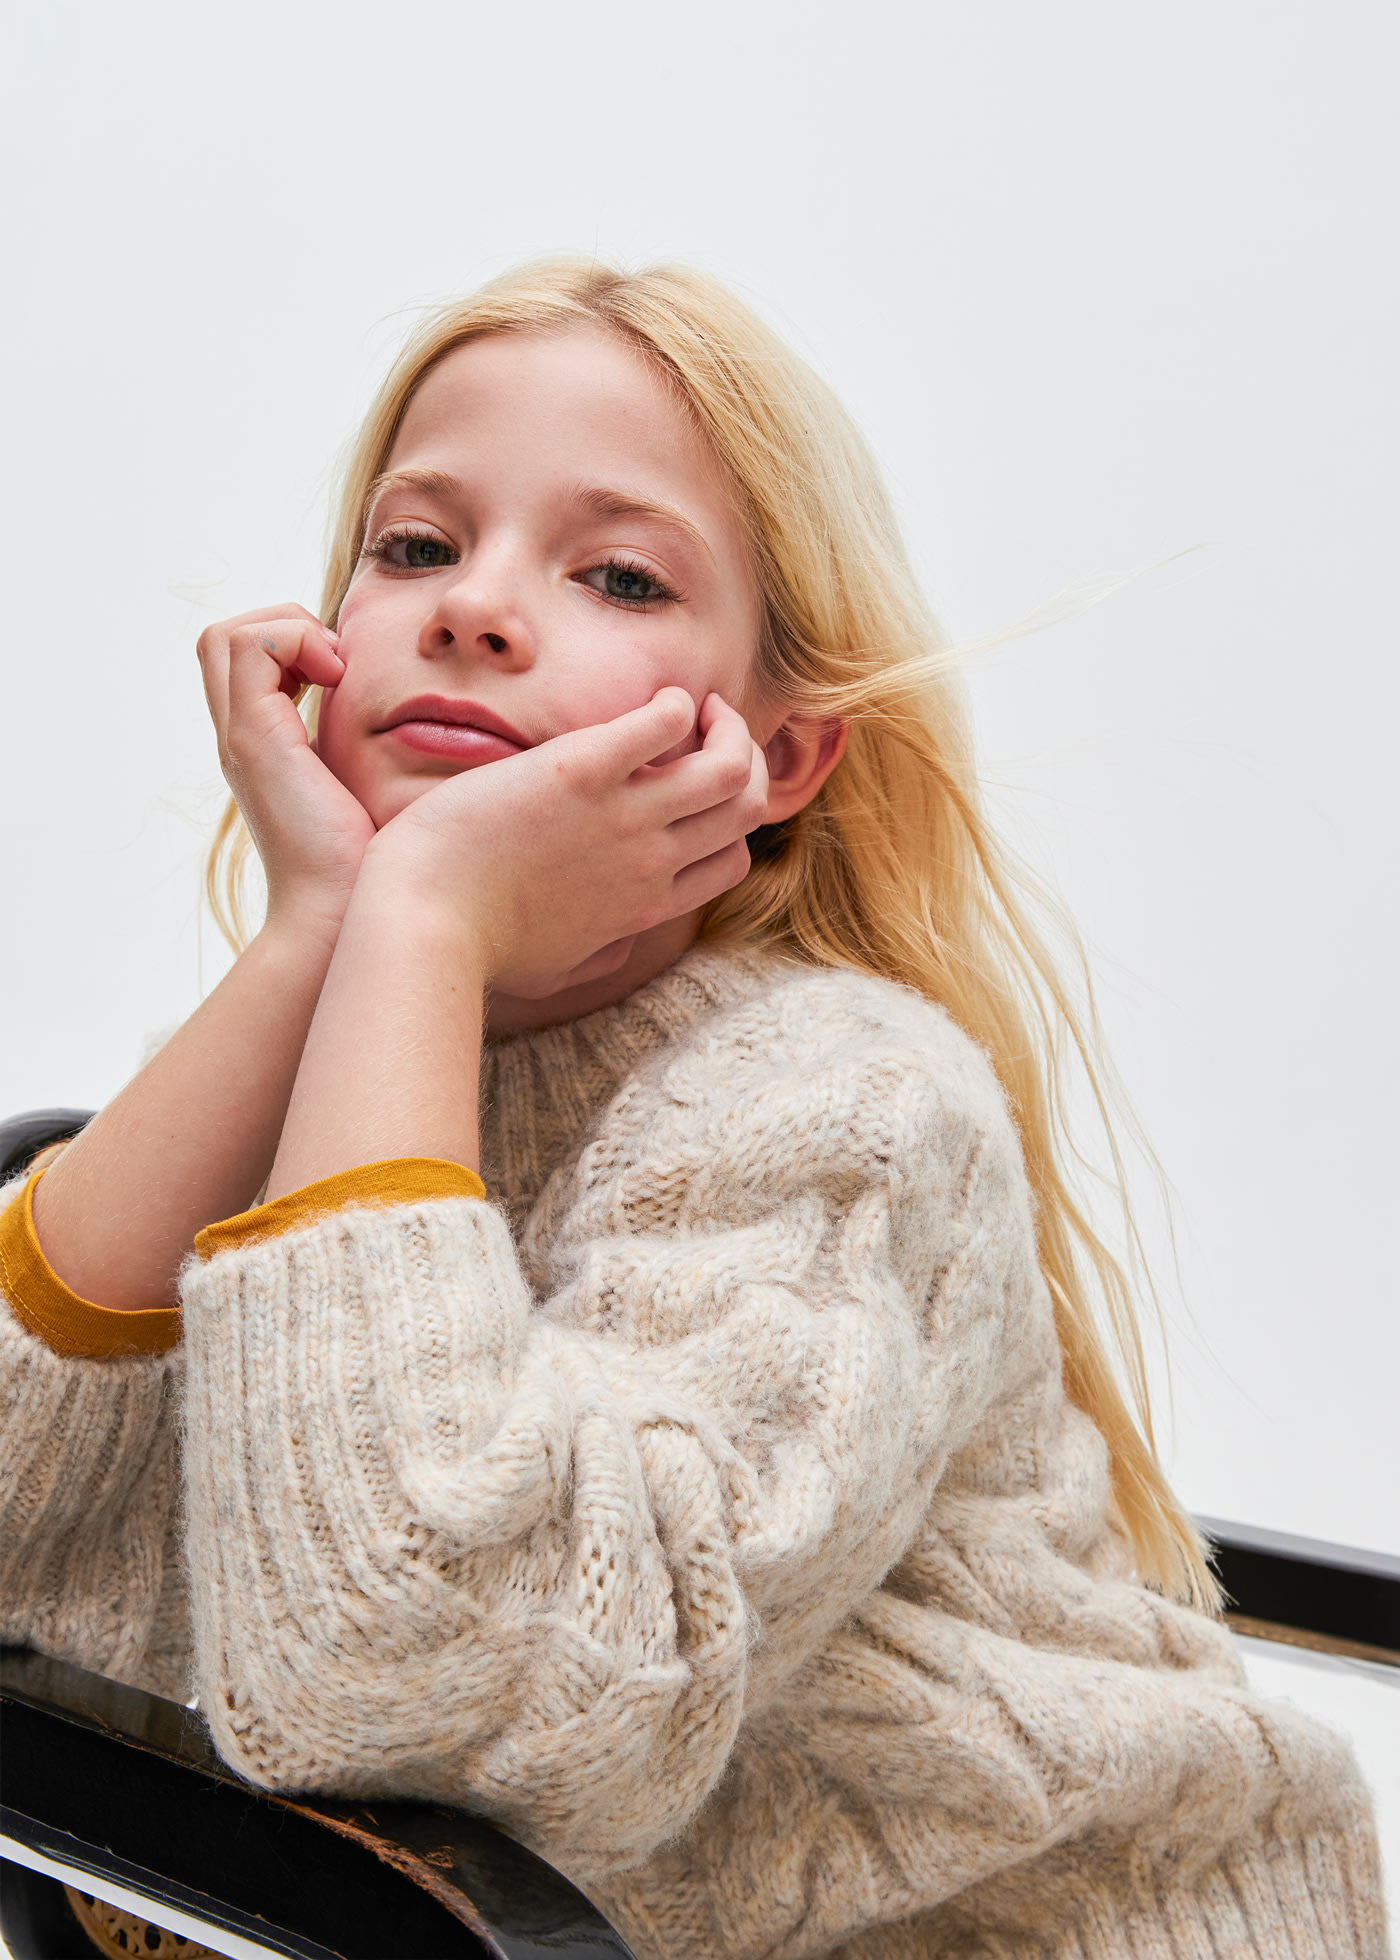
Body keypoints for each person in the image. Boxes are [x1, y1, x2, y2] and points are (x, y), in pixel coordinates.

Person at [0, 259, 1386, 1960]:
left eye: (620, 574)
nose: (474, 609)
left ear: (781, 758)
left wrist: (421, 906)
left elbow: (411, 1684)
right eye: (417, 546)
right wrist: (315, 941)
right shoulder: (336, 1056)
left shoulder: (843, 1109)